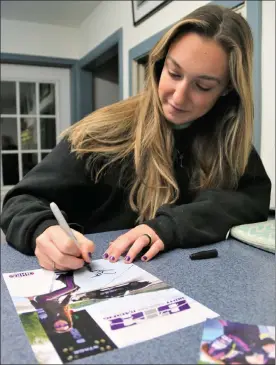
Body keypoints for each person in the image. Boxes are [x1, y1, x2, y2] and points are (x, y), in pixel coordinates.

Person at [0, 4, 271, 272]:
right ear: (159, 64)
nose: (178, 97)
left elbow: (252, 200)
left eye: (203, 86)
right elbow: (19, 202)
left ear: (227, 89)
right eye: (173, 73)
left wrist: (169, 226)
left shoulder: (229, 138)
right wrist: (41, 229)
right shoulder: (101, 133)